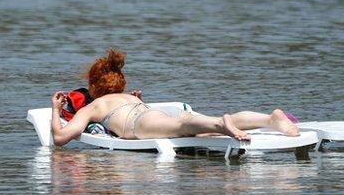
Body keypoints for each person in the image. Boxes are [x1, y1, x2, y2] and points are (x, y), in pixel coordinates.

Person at [50, 50, 299, 146]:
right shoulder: (127, 96)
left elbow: (61, 138)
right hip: (149, 114)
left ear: (93, 85)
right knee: (188, 126)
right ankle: (270, 119)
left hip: (139, 126)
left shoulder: (93, 106)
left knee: (184, 126)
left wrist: (55, 109)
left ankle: (223, 124)